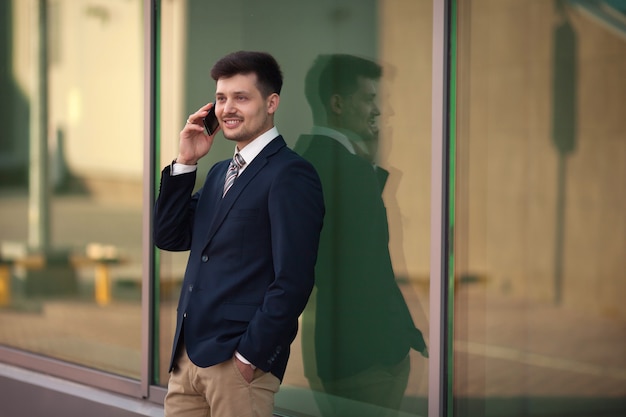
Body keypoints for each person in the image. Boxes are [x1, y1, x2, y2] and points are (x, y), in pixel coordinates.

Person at [154, 51, 325, 417]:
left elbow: (293, 279)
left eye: (241, 98)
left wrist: (250, 356)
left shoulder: (290, 174)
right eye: (220, 98)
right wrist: (186, 162)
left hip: (237, 365)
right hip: (188, 360)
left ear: (271, 102)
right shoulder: (218, 173)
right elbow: (170, 237)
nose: (227, 108)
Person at [295, 54, 428, 416]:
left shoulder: (304, 159)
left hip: (332, 349)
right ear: (338, 104)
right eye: (370, 98)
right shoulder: (350, 172)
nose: (382, 111)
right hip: (370, 357)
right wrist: (401, 339)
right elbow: (368, 270)